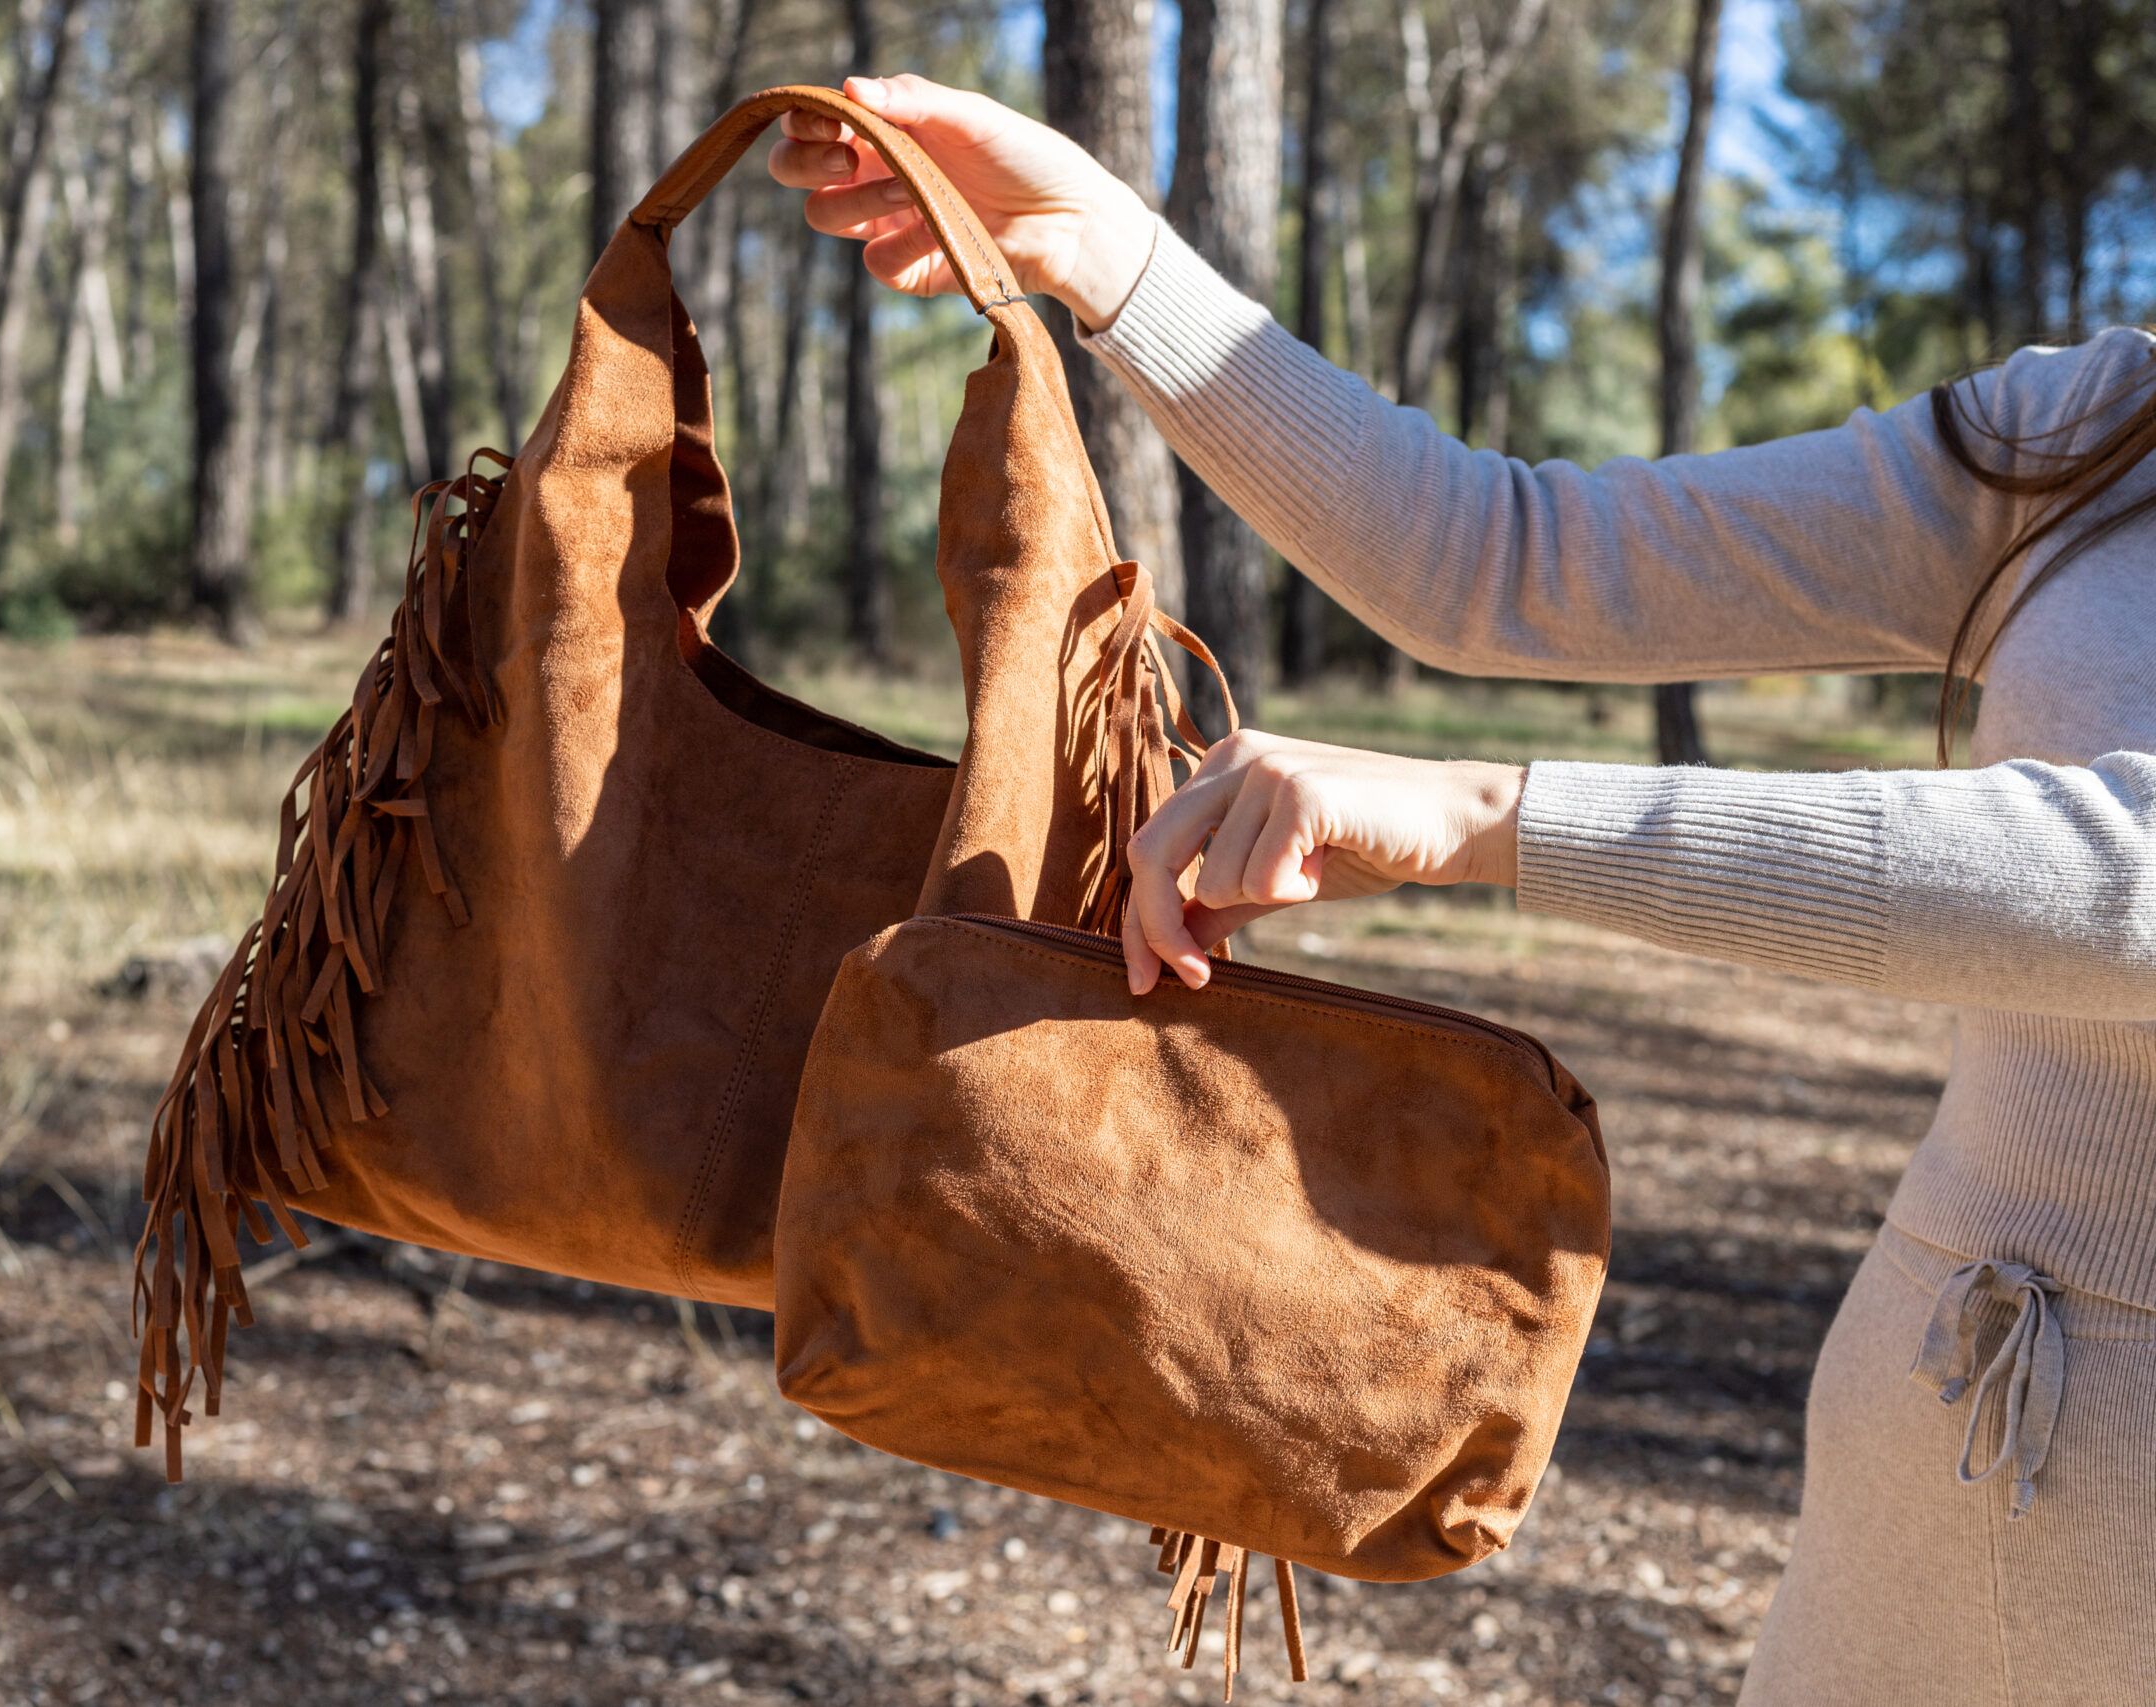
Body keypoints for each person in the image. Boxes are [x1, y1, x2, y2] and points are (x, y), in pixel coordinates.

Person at [769, 73, 2156, 1705]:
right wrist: (1114, 259)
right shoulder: (2092, 440)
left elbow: (2127, 878)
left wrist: (1497, 817)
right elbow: (1505, 558)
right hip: (1940, 1456)